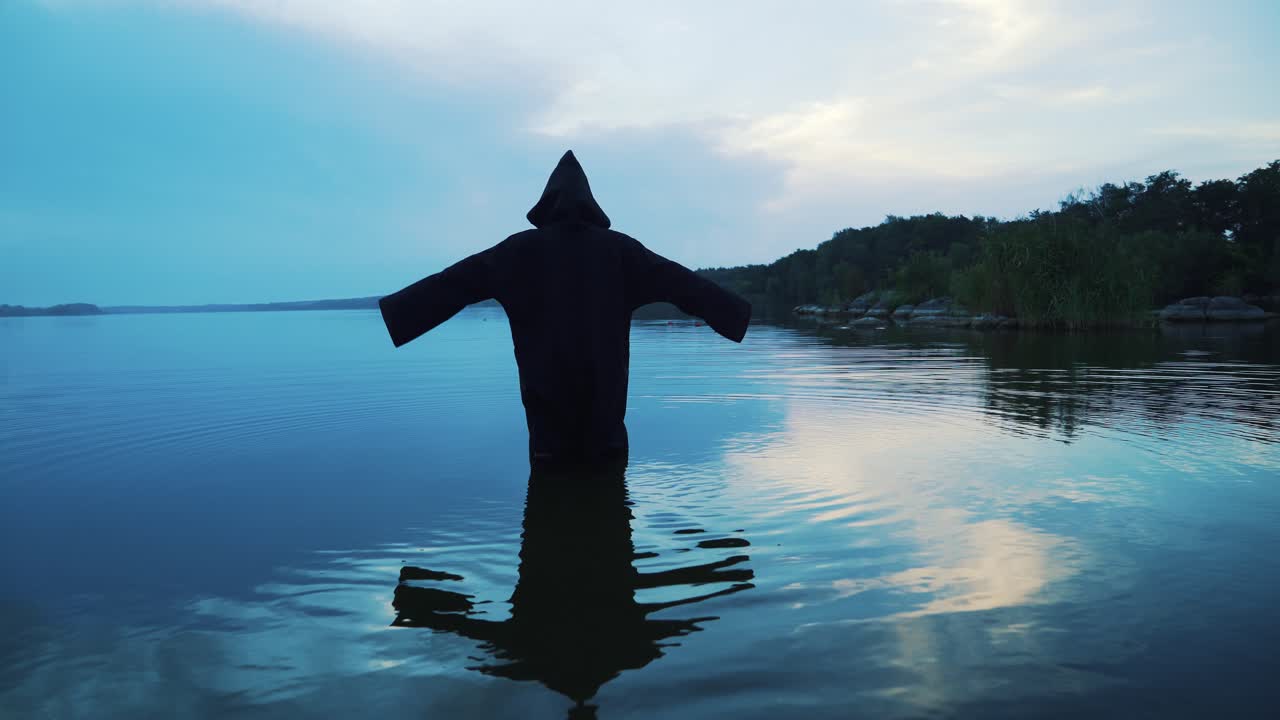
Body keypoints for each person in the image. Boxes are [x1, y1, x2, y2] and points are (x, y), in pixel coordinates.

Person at [378, 150, 752, 466]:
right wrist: (733, 314)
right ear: (590, 203)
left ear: (547, 204)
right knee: (610, 536)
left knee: (548, 523)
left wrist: (400, 313)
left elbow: (452, 285)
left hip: (547, 436)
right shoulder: (620, 252)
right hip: (607, 433)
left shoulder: (517, 252)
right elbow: (683, 283)